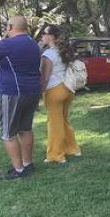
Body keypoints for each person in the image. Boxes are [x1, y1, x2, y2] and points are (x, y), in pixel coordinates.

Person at [0, 16, 42, 180]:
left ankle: (19, 170)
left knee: (8, 133)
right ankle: (28, 164)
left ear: (10, 27)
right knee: (25, 128)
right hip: (32, 91)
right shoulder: (33, 44)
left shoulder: (7, 44)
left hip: (12, 92)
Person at [39, 25, 81, 164]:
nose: (41, 36)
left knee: (54, 123)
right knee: (63, 120)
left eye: (44, 34)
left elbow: (45, 77)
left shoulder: (48, 55)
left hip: (54, 91)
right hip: (67, 89)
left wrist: (40, 93)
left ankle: (56, 155)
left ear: (51, 37)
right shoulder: (63, 51)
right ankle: (72, 149)